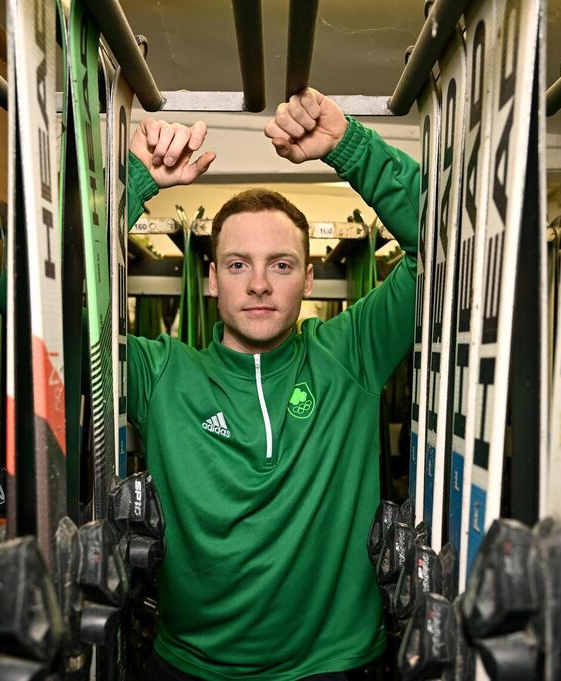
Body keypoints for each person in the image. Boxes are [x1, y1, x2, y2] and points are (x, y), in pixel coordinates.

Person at [125, 88, 421, 680]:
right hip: (188, 668)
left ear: (308, 279)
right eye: (239, 264)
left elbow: (446, 243)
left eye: (280, 265)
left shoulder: (352, 354)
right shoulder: (158, 373)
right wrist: (131, 182)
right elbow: (36, 305)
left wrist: (349, 147)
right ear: (212, 279)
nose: (259, 284)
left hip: (335, 667)